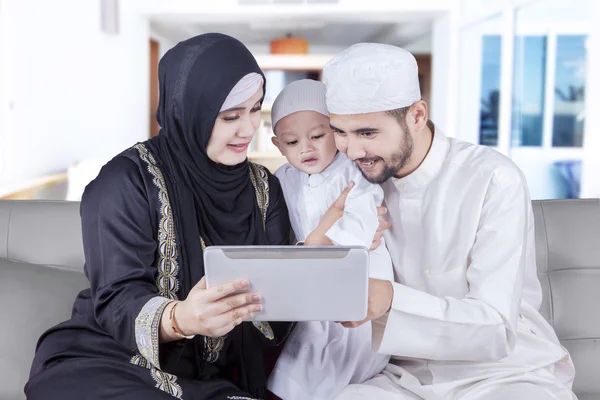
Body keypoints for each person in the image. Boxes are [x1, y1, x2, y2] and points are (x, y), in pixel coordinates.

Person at [25, 33, 298, 400]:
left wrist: (315, 268)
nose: (249, 129)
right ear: (189, 111)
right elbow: (117, 297)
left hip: (217, 373)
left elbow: (281, 300)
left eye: (255, 109)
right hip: (113, 361)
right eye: (231, 115)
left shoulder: (263, 188)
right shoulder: (125, 181)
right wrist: (182, 318)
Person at [308, 43, 577, 399]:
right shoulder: (356, 181)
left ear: (417, 116)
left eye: (368, 133)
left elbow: (496, 328)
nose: (353, 151)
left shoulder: (493, 178)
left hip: (507, 372)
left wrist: (389, 299)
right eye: (340, 132)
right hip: (405, 378)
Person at [265, 79, 393, 400]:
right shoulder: (282, 179)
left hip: (358, 280)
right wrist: (307, 248)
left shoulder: (353, 172)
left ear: (335, 132)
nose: (306, 148)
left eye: (318, 136)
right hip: (309, 283)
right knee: (296, 354)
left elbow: (365, 226)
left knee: (339, 346)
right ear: (278, 145)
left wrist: (325, 240)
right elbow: (283, 235)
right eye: (292, 142)